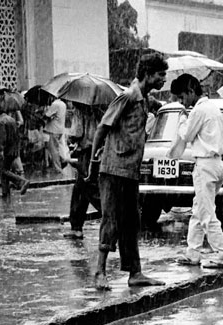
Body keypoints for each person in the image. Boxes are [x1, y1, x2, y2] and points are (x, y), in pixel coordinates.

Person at [88, 51, 168, 291]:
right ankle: (99, 272)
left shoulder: (143, 98)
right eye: (160, 75)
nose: (163, 80)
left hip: (130, 171)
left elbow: (156, 106)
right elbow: (103, 127)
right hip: (113, 169)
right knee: (110, 220)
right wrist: (93, 161)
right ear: (147, 75)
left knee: (132, 222)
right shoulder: (128, 96)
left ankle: (135, 272)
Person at [167, 73, 223, 268]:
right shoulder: (213, 107)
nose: (182, 102)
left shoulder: (199, 111)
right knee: (199, 209)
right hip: (216, 164)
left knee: (206, 214)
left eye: (182, 97)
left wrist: (181, 121)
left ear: (190, 91)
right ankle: (193, 252)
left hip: (205, 165)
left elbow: (187, 135)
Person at [63, 103, 104, 239]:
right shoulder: (98, 111)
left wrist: (70, 137)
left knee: (88, 188)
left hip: (86, 153)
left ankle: (113, 215)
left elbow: (77, 131)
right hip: (97, 151)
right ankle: (76, 227)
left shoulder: (80, 111)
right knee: (80, 190)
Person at [0, 107, 30, 198]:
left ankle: (21, 181)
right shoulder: (12, 120)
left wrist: (1, 150)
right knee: (4, 170)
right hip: (14, 148)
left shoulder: (1, 121)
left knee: (4, 170)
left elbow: (3, 138)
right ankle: (5, 192)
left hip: (7, 149)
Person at [43, 95, 67, 171]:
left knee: (53, 149)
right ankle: (62, 160)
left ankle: (57, 168)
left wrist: (44, 114)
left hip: (54, 129)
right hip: (60, 129)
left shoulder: (55, 104)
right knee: (58, 148)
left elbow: (47, 115)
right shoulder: (63, 104)